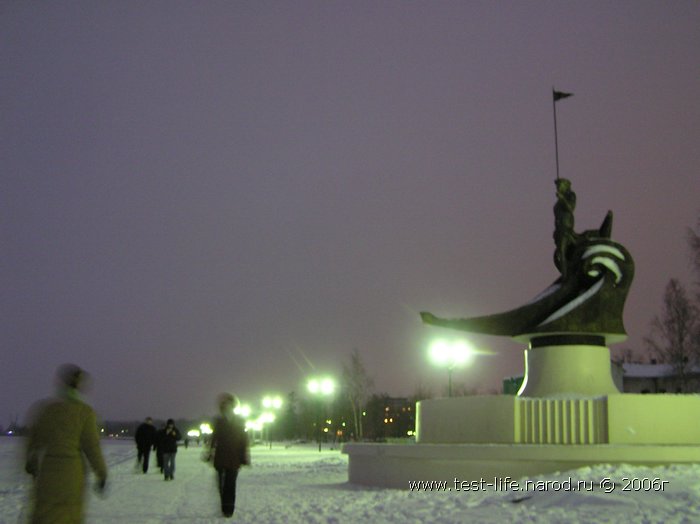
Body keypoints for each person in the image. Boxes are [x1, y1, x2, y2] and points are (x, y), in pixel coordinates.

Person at [24, 364, 108, 523]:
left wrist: (31, 463)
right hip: (72, 474)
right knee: (68, 514)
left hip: (47, 471)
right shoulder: (84, 412)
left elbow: (34, 442)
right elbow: (92, 447)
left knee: (44, 513)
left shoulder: (46, 409)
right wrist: (101, 473)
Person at [207, 393, 250, 518]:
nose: (228, 407)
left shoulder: (240, 421)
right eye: (225, 405)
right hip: (221, 456)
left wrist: (244, 457)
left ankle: (229, 509)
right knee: (221, 483)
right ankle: (224, 505)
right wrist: (210, 451)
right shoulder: (219, 422)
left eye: (230, 405)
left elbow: (244, 440)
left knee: (231, 484)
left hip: (234, 457)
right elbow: (213, 438)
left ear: (233, 406)